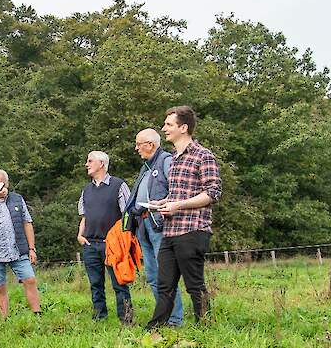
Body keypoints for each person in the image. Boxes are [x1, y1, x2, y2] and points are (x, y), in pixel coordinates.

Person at [146, 106, 222, 329]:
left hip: (192, 230)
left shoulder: (203, 155)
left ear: (184, 127)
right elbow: (179, 192)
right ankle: (155, 328)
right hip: (170, 231)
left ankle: (205, 327)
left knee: (194, 285)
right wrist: (164, 202)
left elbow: (212, 193)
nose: (164, 129)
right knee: (164, 285)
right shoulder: (174, 159)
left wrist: (178, 205)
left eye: (169, 125)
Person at [126, 128, 184, 326]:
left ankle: (174, 320)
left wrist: (162, 205)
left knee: (165, 274)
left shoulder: (167, 161)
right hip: (143, 223)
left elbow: (179, 191)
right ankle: (163, 316)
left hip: (161, 225)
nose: (136, 148)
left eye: (138, 144)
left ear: (150, 145)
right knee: (152, 275)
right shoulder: (146, 167)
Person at [77, 150, 133, 322]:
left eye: (90, 161)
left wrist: (123, 239)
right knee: (95, 284)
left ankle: (126, 319)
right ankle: (99, 318)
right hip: (90, 244)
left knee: (120, 284)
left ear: (101, 164)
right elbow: (84, 216)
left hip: (113, 245)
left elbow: (128, 214)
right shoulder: (86, 190)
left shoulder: (118, 185)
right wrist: (80, 235)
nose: (87, 164)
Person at [0, 169, 41, 319]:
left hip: (17, 249)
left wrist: (31, 248)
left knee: (30, 279)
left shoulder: (17, 199)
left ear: (6, 184)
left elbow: (27, 223)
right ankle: (4, 319)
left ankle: (37, 314)